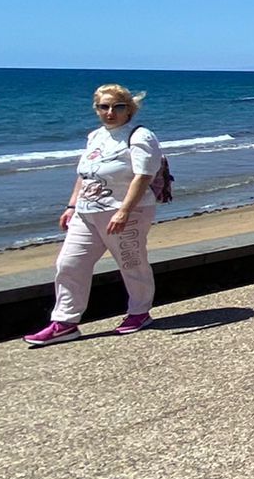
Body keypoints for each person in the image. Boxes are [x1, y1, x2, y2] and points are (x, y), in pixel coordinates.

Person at [25, 84, 163, 346]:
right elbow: (86, 174)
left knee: (132, 263)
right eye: (104, 107)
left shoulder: (139, 136)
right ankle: (65, 322)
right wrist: (71, 206)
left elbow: (144, 176)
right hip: (87, 213)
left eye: (117, 107)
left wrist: (124, 211)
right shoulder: (95, 136)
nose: (110, 112)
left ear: (129, 109)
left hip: (125, 212)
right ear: (96, 109)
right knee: (69, 264)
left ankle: (139, 312)